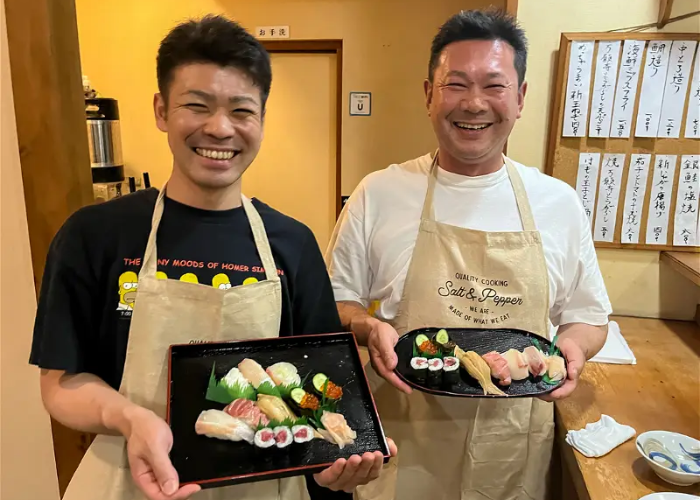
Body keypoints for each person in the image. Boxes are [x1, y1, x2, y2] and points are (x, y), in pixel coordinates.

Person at [30, 15, 394, 500]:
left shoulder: (294, 243)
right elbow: (60, 382)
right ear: (161, 110)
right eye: (196, 105)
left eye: (241, 110)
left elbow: (318, 378)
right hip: (131, 481)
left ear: (262, 118)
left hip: (268, 482)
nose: (219, 128)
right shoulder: (95, 235)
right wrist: (130, 417)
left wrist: (330, 459)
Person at [325, 9, 611, 500]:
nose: (474, 104)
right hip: (405, 439)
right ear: (428, 95)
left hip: (512, 445)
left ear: (520, 98)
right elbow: (336, 300)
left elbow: (588, 316)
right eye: (456, 84)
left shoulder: (558, 203)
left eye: (494, 86)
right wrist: (367, 327)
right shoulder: (380, 193)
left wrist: (576, 349)